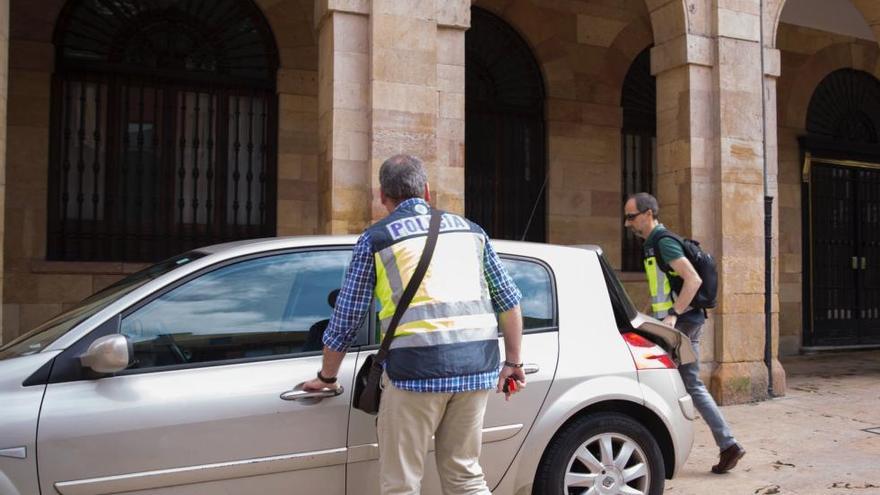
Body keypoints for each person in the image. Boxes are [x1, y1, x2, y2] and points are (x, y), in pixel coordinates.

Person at [303, 154, 525, 495]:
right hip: (476, 367)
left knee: (401, 483)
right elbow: (509, 301)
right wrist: (513, 363)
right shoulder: (471, 231)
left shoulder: (376, 239)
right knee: (466, 476)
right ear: (426, 190)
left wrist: (327, 377)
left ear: (382, 196)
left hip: (415, 374)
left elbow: (346, 319)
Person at [623, 192, 746, 474]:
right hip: (679, 323)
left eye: (631, 216)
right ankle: (724, 445)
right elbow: (664, 288)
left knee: (675, 382)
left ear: (648, 214)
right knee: (681, 383)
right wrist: (649, 312)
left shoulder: (664, 242)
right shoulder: (653, 244)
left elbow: (693, 279)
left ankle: (718, 444)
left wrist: (674, 315)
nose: (627, 223)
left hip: (682, 324)